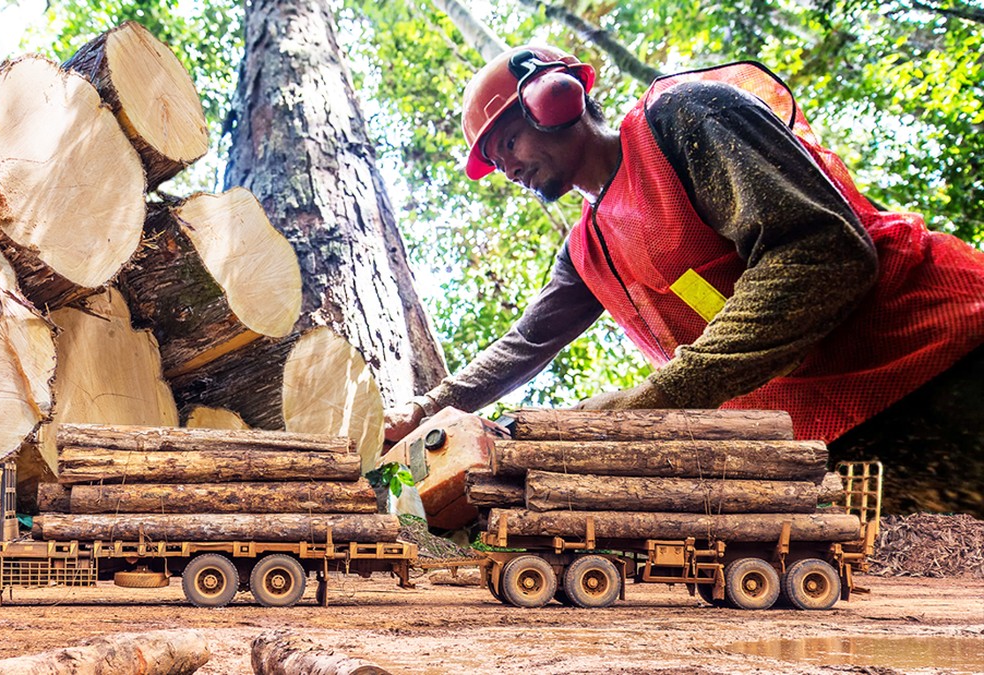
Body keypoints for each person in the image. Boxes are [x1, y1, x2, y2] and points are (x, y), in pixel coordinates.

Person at [384, 45, 984, 516]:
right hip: (833, 434)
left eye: (507, 141)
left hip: (936, 349)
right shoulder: (587, 249)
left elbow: (821, 251)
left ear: (553, 99)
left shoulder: (681, 118)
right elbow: (526, 343)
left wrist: (653, 403)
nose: (506, 167)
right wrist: (425, 409)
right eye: (493, 160)